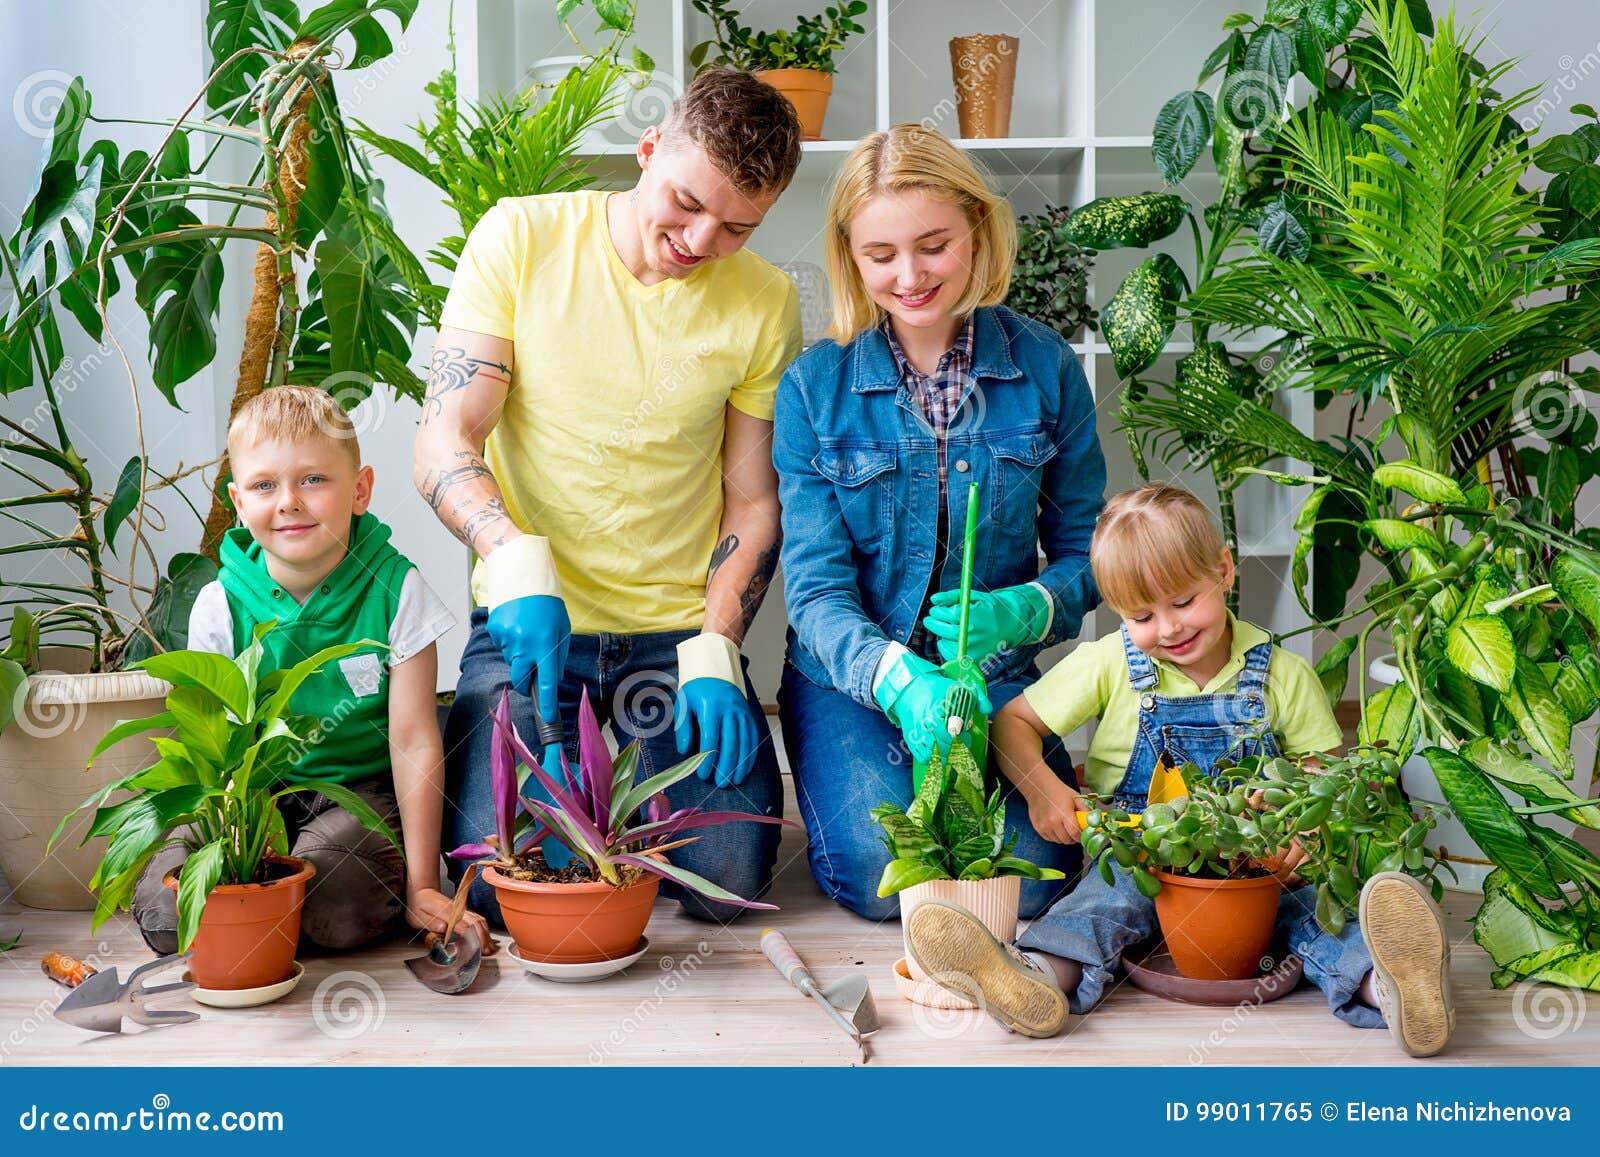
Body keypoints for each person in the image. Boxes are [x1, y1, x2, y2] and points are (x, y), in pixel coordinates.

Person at [416, 69, 804, 923]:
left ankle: (629, 806)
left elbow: (752, 503)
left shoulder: (766, 301)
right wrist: (512, 561)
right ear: (648, 148)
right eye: (686, 202)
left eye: (738, 226)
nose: (701, 240)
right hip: (532, 629)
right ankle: (603, 823)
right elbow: (445, 438)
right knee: (497, 876)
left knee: (729, 885)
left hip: (671, 642)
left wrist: (716, 647)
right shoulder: (520, 237)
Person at [905, 483, 1456, 1057]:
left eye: (1184, 602)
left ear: (1223, 571)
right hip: (1145, 858)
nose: (1168, 628)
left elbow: (1320, 778)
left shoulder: (1285, 675)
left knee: (1321, 915)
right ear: (1119, 613)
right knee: (1100, 904)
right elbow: (1013, 724)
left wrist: (1307, 838)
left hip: (1261, 870)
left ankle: (1393, 987)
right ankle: (1033, 979)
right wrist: (1044, 791)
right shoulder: (1111, 662)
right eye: (1142, 615)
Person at [774, 123, 1106, 921]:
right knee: (886, 877)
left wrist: (1029, 608)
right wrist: (896, 679)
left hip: (995, 684)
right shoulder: (814, 389)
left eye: (933, 245)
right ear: (851, 255)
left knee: (1038, 875)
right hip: (856, 685)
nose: (910, 275)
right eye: (880, 254)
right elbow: (815, 592)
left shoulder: (1046, 367)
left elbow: (1090, 553)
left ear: (979, 233)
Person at [131, 386, 493, 957]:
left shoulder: (396, 590)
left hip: (356, 793)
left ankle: (300, 908)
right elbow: (216, 748)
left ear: (360, 490)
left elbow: (414, 739)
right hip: (249, 796)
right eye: (264, 485)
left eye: (314, 480)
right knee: (165, 911)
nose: (289, 502)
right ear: (239, 500)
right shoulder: (220, 604)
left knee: (335, 907)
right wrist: (238, 849)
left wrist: (422, 886)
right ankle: (261, 914)